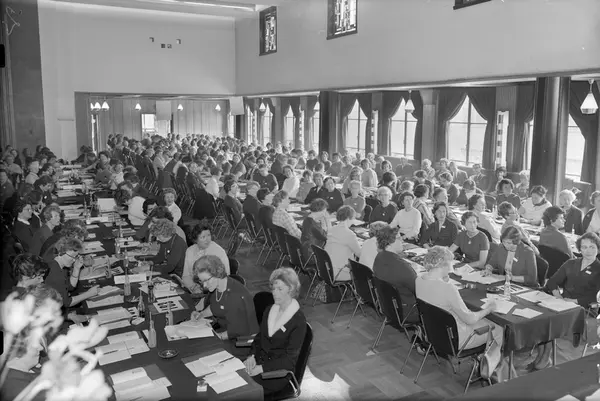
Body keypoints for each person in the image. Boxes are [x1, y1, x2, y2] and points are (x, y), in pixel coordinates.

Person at [416, 246, 504, 358]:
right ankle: (489, 365)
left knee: (479, 318)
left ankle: (483, 358)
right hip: (457, 338)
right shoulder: (448, 288)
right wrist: (489, 309)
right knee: (498, 327)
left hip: (433, 333)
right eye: (450, 262)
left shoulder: (418, 280)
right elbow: (470, 319)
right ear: (443, 265)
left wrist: (444, 281)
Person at [244, 268, 307, 397]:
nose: (274, 293)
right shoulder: (269, 310)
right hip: (258, 364)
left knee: (239, 392)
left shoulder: (298, 321)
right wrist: (251, 356)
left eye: (280, 289)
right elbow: (259, 338)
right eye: (273, 288)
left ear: (291, 289)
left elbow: (289, 360)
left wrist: (261, 368)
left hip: (275, 375)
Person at [191, 255, 259, 340]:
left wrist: (216, 337)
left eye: (206, 280)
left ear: (218, 273)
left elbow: (236, 330)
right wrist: (201, 315)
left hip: (242, 340)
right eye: (202, 281)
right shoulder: (218, 287)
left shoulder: (234, 296)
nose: (205, 285)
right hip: (225, 331)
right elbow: (215, 306)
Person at [373, 225, 418, 322]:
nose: (402, 240)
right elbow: (418, 290)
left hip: (388, 306)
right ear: (390, 242)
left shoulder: (379, 257)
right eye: (398, 238)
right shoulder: (402, 267)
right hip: (407, 311)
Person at [45, 237, 99, 310]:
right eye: (72, 256)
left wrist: (76, 268)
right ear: (60, 253)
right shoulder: (55, 274)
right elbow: (66, 303)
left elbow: (70, 287)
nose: (74, 260)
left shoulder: (60, 266)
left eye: (76, 257)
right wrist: (89, 294)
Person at [182, 223, 230, 293]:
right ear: (195, 239)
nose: (207, 240)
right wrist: (193, 287)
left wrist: (205, 289)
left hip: (213, 290)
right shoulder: (190, 251)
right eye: (203, 237)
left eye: (209, 235)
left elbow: (224, 277)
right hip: (195, 289)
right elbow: (186, 276)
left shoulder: (219, 252)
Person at [324, 206, 361, 281]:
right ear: (348, 218)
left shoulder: (332, 229)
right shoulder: (349, 234)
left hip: (326, 268)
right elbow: (360, 254)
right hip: (340, 272)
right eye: (353, 219)